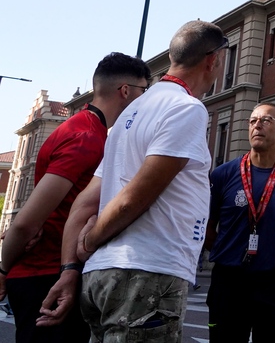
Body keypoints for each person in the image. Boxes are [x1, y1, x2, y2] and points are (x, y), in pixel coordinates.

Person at [38, 20, 225, 340]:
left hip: (101, 276)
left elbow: (84, 202)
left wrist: (70, 269)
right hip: (147, 272)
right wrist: (89, 241)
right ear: (212, 61)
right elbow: (133, 197)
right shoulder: (186, 108)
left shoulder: (129, 114)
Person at [0, 53, 150, 343]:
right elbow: (27, 222)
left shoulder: (78, 129)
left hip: (48, 274)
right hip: (47, 276)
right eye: (143, 92)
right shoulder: (85, 138)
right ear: (126, 91)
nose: (144, 101)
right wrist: (2, 269)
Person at [205, 102, 275, 341]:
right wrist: (228, 252)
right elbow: (207, 225)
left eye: (266, 120)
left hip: (274, 283)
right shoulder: (223, 175)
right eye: (253, 121)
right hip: (229, 281)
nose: (257, 125)